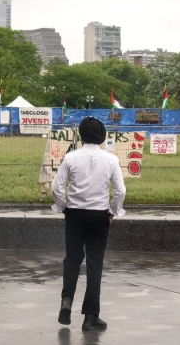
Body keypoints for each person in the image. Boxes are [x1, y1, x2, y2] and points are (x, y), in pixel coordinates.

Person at [51, 116, 126, 331]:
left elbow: (57, 188)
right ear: (102, 136)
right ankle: (91, 316)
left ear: (81, 136)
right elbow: (120, 191)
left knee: (72, 259)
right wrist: (113, 211)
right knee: (95, 263)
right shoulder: (111, 160)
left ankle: (66, 301)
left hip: (74, 215)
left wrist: (63, 207)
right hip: (98, 216)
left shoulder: (71, 158)